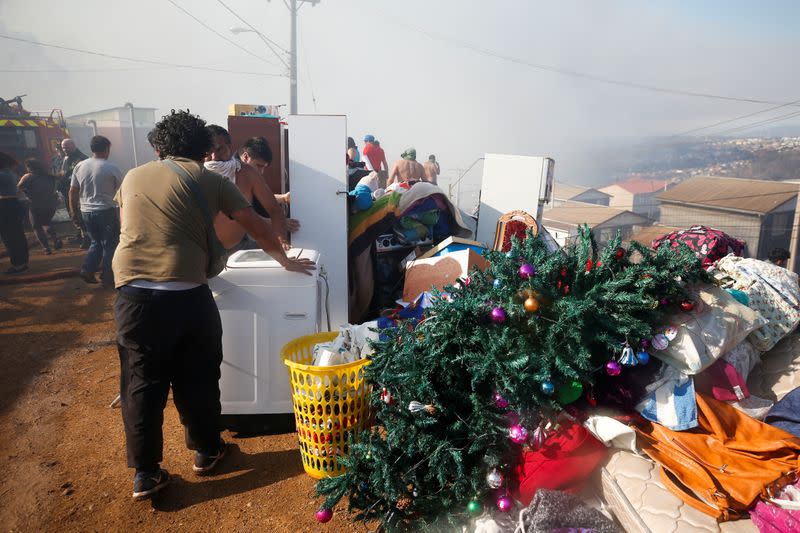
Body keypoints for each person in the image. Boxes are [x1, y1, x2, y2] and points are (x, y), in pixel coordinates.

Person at [112, 110, 314, 500]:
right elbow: (256, 224)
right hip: (185, 291)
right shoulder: (207, 179)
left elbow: (130, 228)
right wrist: (285, 261)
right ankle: (207, 451)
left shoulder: (133, 176)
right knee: (198, 375)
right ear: (204, 149)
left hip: (132, 294)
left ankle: (146, 473)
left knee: (141, 382)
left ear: (158, 147)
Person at [203, 127, 295, 250]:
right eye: (259, 166)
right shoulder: (201, 173)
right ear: (246, 157)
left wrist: (283, 198)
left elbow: (262, 200)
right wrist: (276, 223)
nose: (214, 156)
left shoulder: (244, 172)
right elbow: (245, 213)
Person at [69, 135, 123, 287]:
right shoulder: (111, 167)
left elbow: (72, 191)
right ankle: (107, 277)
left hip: (86, 212)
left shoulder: (79, 166)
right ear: (107, 149)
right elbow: (122, 192)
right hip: (106, 211)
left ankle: (87, 270)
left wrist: (74, 212)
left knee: (96, 242)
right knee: (109, 244)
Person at [18, 158, 63, 254]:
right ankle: (56, 238)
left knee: (36, 226)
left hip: (36, 205)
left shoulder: (28, 177)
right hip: (51, 205)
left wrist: (27, 193)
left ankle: (46, 248)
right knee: (46, 222)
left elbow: (19, 187)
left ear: (29, 167)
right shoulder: (49, 176)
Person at [0, 152, 29, 274]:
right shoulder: (9, 173)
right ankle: (22, 262)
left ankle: (18, 264)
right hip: (12, 204)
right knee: (17, 234)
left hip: (5, 206)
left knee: (9, 237)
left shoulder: (2, 174)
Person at [58, 138, 89, 247]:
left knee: (79, 215)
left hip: (77, 193)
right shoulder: (64, 158)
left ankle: (87, 238)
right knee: (73, 215)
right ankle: (81, 235)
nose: (64, 149)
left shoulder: (81, 159)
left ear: (73, 146)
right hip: (66, 192)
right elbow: (62, 173)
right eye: (63, 147)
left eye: (66, 147)